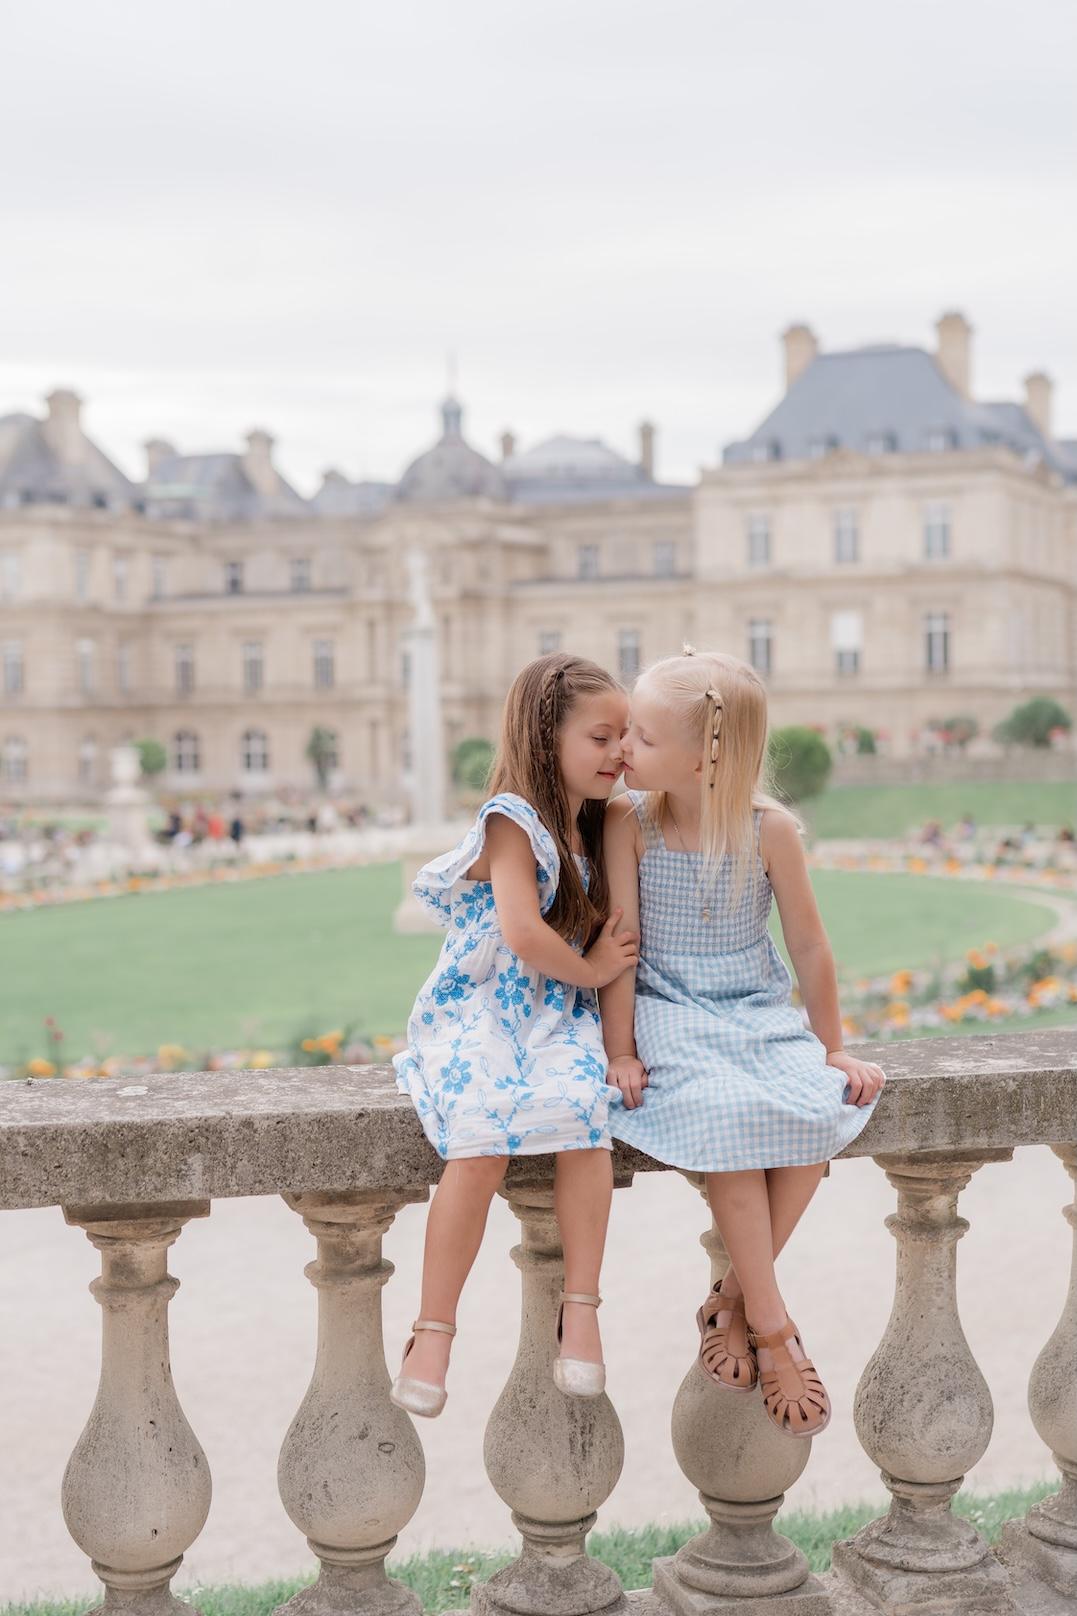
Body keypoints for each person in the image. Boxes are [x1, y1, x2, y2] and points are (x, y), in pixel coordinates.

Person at [601, 649, 885, 1439]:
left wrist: (830, 1047)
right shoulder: (631, 823)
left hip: (752, 1006)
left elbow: (811, 948)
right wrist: (621, 1048)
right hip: (669, 1005)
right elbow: (621, 943)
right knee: (728, 1118)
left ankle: (728, 1298)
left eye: (642, 737)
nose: (624, 747)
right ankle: (770, 1323)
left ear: (705, 757)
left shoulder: (770, 830)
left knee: (812, 1110)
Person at [390, 653, 636, 1418]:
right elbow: (523, 934)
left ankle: (583, 1309)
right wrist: (593, 973)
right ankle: (433, 1329)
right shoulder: (511, 818)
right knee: (480, 1135)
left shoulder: (595, 824)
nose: (619, 752)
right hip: (486, 1005)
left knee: (584, 1113)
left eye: (626, 737)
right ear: (544, 736)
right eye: (601, 737)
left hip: (557, 1012)